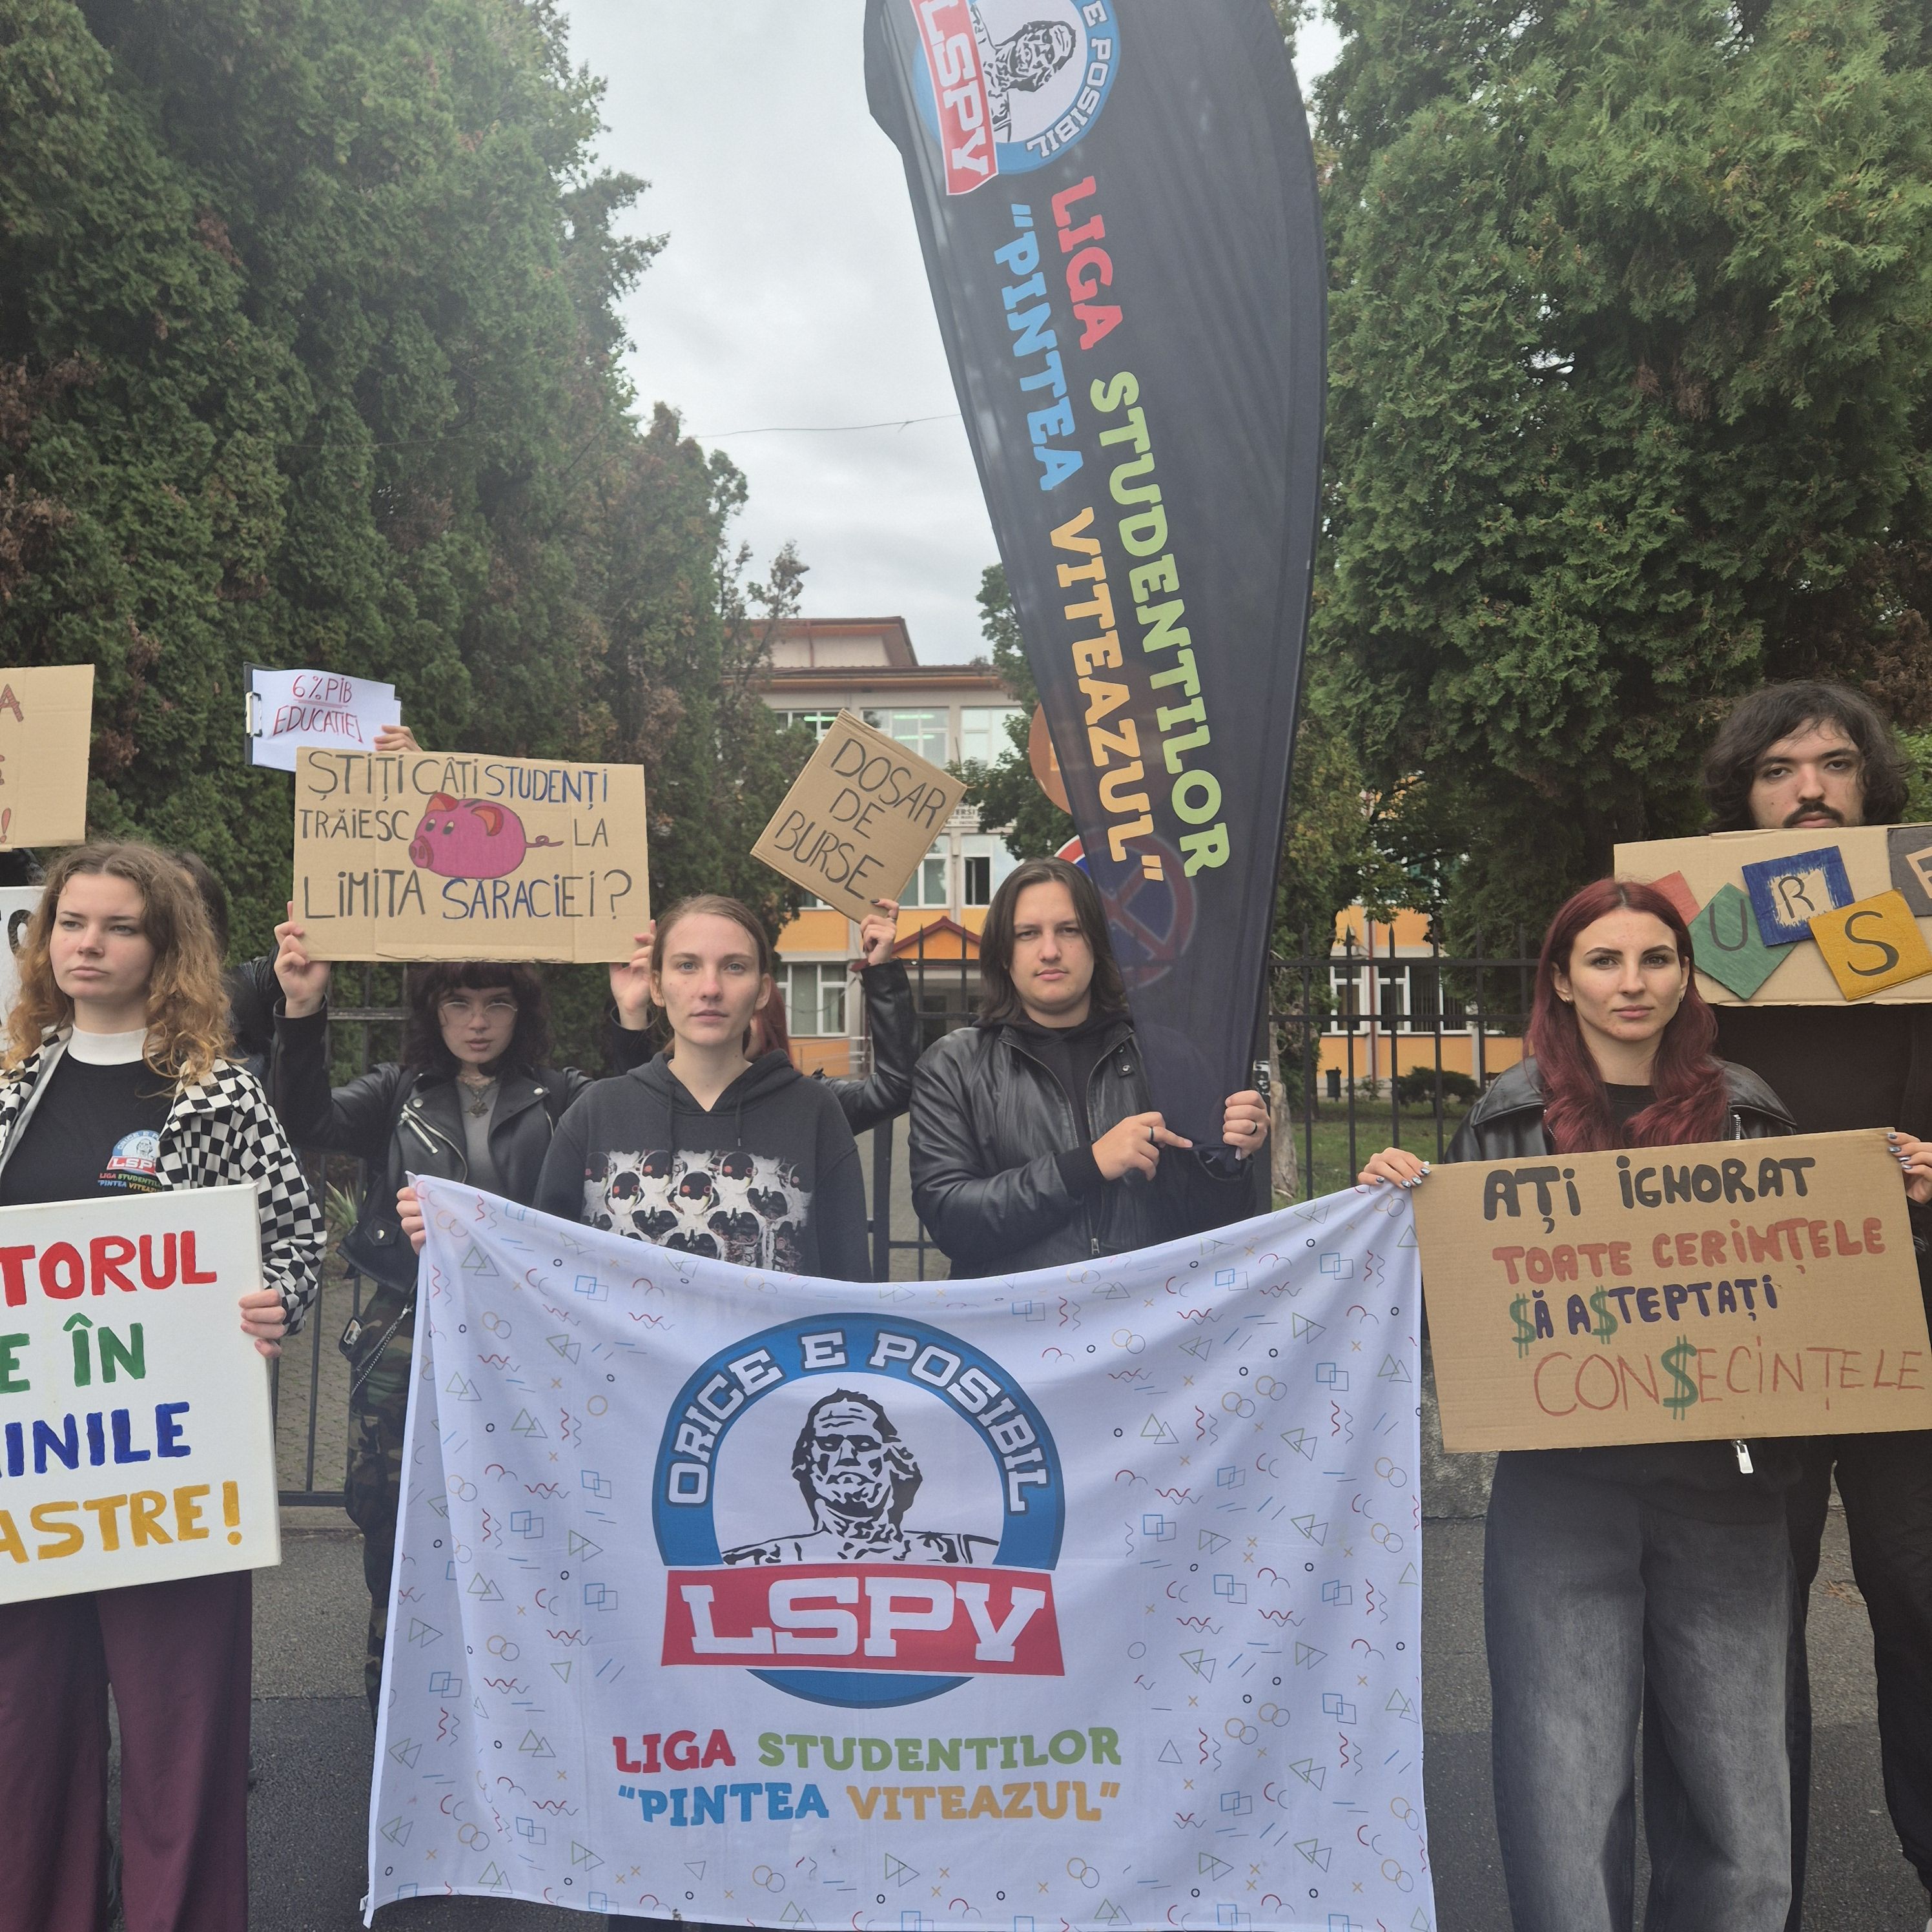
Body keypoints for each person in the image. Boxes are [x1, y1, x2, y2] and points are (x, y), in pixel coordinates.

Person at [1361, 878, 1932, 1932]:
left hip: (1726, 1493)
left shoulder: (1748, 1105)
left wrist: (1905, 1213)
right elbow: (1459, 1308)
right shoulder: (1507, 1115)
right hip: (1560, 1500)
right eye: (1605, 960)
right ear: (1563, 982)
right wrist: (1394, 1215)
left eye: (1655, 958)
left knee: (1745, 1829)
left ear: (1684, 978)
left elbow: (1809, 1285)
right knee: (1561, 1815)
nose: (1633, 981)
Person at [0, 840, 324, 1932]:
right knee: (22, 1742)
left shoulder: (216, 1092)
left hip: (173, 1470)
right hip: (30, 1478)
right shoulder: (5, 1084)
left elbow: (294, 1238)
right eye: (71, 923)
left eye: (117, 926)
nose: (88, 943)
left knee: (180, 1742)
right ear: (44, 943)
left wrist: (273, 1299)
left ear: (162, 947)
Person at [269, 913, 655, 1714]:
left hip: (529, 1336)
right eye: (457, 1003)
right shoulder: (397, 1092)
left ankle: (531, 1681)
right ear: (431, 1012)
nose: (476, 1022)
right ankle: (398, 1672)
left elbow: (638, 1114)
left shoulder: (563, 1097)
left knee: (532, 1500)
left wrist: (633, 1019)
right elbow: (305, 1122)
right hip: (405, 1327)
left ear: (524, 1015)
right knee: (388, 1502)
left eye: (495, 1004)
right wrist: (302, 1013)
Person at [1695, 679, 1932, 1929]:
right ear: (1742, 795)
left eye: (1834, 764)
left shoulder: (1928, 921)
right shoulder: (1684, 944)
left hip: (1914, 1330)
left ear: (1868, 786)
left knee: (1923, 1604)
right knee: (1745, 1631)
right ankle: (1753, 1892)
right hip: (1750, 1339)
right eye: (1779, 769)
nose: (1808, 788)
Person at [908, 856, 1269, 1277]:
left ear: (1098, 944)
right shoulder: (953, 1065)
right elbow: (951, 1220)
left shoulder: (1168, 1056)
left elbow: (1217, 1230)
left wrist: (1228, 1160)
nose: (1050, 951)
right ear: (1004, 955)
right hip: (1011, 1334)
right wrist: (1087, 1166)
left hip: (1146, 1322)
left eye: (1069, 930)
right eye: (1027, 934)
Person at [611, 898, 919, 1136]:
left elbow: (896, 1088)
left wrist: (881, 971)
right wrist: (632, 1011)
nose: (711, 990)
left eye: (735, 967)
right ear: (658, 985)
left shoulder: (808, 1105)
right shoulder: (607, 1107)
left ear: (762, 994)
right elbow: (639, 1100)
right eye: (687, 966)